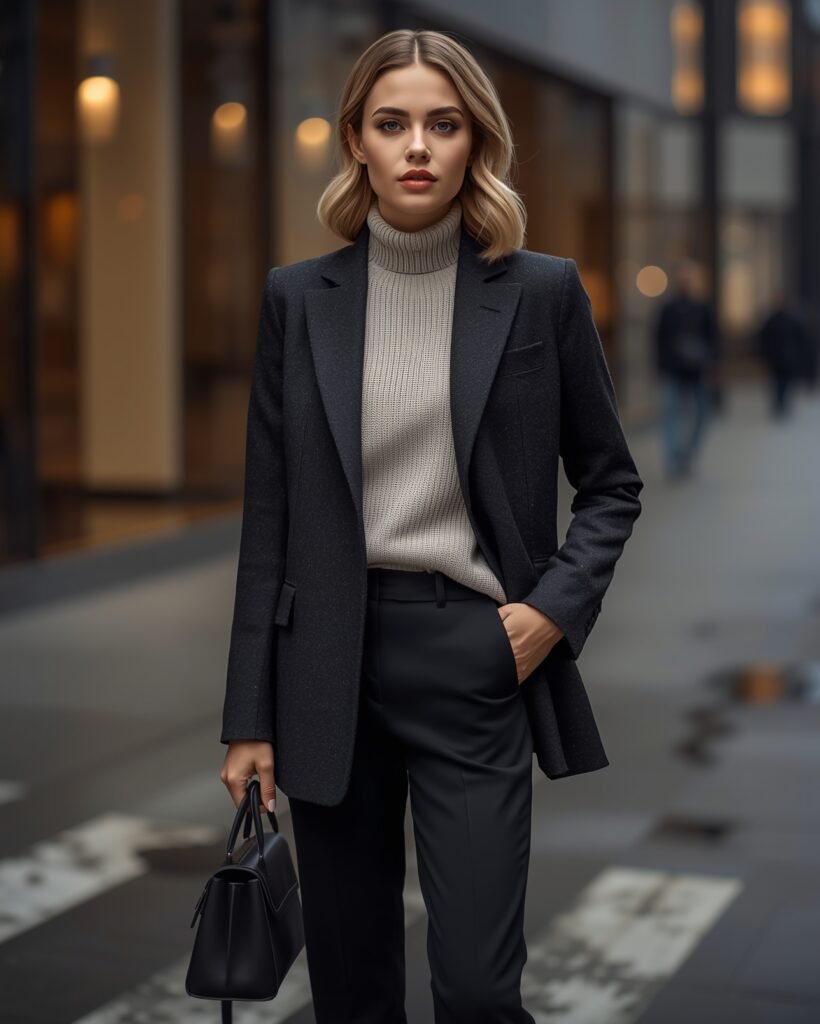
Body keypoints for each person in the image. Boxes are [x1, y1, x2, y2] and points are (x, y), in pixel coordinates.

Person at [218, 28, 643, 1024]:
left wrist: (547, 612)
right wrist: (248, 712)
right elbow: (268, 515)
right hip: (326, 663)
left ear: (474, 143)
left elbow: (611, 482)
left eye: (442, 125)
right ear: (356, 142)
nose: (417, 146)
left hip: (474, 653)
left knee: (479, 991)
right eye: (392, 123)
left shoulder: (540, 292)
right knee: (354, 992)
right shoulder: (298, 298)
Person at [653, 259, 719, 479]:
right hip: (673, 369)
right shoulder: (668, 307)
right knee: (671, 414)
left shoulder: (703, 307)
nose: (686, 283)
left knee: (701, 413)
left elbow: (714, 339)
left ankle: (688, 454)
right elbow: (658, 338)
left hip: (698, 370)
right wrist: (660, 366)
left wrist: (711, 365)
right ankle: (674, 460)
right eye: (682, 278)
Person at [756, 286, 812, 418]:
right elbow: (763, 339)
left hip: (789, 358)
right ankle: (778, 405)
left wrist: (800, 356)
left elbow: (801, 339)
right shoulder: (771, 320)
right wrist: (764, 356)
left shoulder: (793, 319)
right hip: (775, 358)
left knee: (786, 383)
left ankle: (782, 404)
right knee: (776, 383)